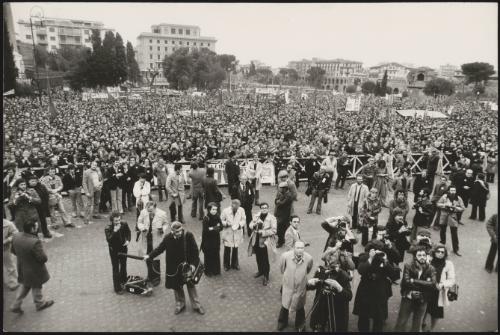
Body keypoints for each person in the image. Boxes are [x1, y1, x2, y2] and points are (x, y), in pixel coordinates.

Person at [144, 222, 205, 315]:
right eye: (177, 232)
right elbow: (159, 249)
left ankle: (197, 305)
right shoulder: (168, 238)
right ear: (172, 231)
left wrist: (193, 264)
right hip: (174, 268)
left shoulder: (188, 236)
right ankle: (180, 304)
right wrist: (149, 256)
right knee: (177, 286)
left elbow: (195, 251)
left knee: (191, 285)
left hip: (187, 266)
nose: (180, 233)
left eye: (180, 231)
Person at [352, 239, 400, 332]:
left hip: (380, 290)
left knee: (379, 317)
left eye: (379, 250)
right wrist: (370, 258)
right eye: (374, 250)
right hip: (366, 290)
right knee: (363, 316)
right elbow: (360, 270)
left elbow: (394, 276)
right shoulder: (364, 257)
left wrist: (386, 261)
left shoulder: (384, 258)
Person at [10, 220, 54, 314]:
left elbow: (13, 250)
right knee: (36, 285)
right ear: (32, 229)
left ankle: (16, 304)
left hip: (22, 267)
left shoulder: (16, 236)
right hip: (34, 269)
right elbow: (42, 258)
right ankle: (40, 303)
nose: (37, 228)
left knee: (25, 285)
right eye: (36, 226)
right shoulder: (34, 242)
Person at [307, 247, 353, 332]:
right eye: (328, 256)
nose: (329, 258)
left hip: (337, 309)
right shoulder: (321, 270)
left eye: (333, 256)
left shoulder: (343, 275)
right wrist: (309, 283)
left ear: (338, 260)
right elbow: (311, 287)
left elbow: (349, 296)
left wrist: (339, 287)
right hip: (321, 307)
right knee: (318, 328)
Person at [394, 246, 437, 332]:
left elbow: (433, 284)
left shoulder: (431, 268)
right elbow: (406, 281)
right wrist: (424, 284)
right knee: (402, 321)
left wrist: (414, 281)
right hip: (408, 296)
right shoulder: (408, 266)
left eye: (424, 255)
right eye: (419, 255)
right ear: (415, 257)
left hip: (423, 298)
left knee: (417, 324)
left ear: (427, 256)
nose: (422, 257)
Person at [278, 241, 314, 332]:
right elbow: (282, 269)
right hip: (288, 286)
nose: (300, 250)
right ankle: (282, 321)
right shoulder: (285, 256)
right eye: (297, 248)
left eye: (302, 248)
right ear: (294, 248)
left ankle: (300, 324)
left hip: (300, 287)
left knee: (300, 306)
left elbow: (308, 269)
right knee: (285, 304)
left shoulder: (309, 258)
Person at [422, 244, 456, 332]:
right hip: (426, 288)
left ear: (445, 254)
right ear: (434, 252)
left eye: (442, 252)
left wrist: (441, 285)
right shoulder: (428, 260)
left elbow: (451, 279)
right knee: (423, 308)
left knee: (436, 312)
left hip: (438, 291)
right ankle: (421, 323)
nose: (440, 254)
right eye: (438, 251)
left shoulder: (448, 264)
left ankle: (431, 329)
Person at [137, 201, 169, 285]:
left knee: (156, 259)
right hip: (146, 239)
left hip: (156, 239)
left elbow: (166, 224)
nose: (149, 212)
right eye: (148, 210)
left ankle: (157, 278)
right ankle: (150, 275)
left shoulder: (162, 213)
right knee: (147, 257)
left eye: (150, 210)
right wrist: (142, 227)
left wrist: (162, 229)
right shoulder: (143, 212)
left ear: (155, 207)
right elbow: (139, 222)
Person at [248, 202, 277, 286]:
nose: (264, 209)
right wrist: (254, 225)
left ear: (268, 208)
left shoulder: (272, 218)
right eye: (262, 207)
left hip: (265, 242)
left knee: (265, 259)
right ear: (260, 209)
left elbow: (274, 230)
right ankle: (260, 271)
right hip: (256, 240)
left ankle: (266, 276)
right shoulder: (257, 215)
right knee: (258, 257)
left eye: (265, 207)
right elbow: (250, 224)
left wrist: (263, 232)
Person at [104, 212, 131, 294]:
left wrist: (128, 240)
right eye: (116, 221)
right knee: (116, 268)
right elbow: (109, 240)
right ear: (112, 221)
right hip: (114, 250)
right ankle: (117, 288)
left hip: (123, 248)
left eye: (119, 220)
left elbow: (128, 233)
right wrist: (115, 231)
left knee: (123, 265)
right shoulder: (108, 228)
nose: (118, 222)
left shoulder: (124, 224)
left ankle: (123, 281)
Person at [437, 186, 465, 256]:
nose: (453, 192)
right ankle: (442, 244)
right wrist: (445, 205)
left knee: (454, 233)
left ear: (456, 191)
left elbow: (462, 208)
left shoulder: (458, 198)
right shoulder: (444, 196)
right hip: (444, 216)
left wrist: (455, 208)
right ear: (449, 191)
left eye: (454, 190)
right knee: (442, 230)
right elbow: (438, 204)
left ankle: (455, 249)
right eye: (451, 190)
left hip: (453, 216)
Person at [221, 199, 246, 271]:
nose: (237, 208)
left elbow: (244, 220)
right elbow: (221, 220)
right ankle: (226, 265)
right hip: (228, 232)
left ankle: (235, 264)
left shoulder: (241, 210)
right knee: (227, 249)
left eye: (238, 207)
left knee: (235, 248)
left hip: (237, 232)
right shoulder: (225, 211)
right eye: (235, 207)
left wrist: (240, 225)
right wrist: (226, 224)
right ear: (231, 205)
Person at [26, 174, 52, 238]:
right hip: (32, 208)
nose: (34, 182)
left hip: (41, 207)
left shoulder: (42, 186)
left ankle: (45, 232)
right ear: (28, 181)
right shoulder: (27, 189)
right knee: (33, 221)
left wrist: (46, 206)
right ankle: (34, 234)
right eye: (32, 181)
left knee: (43, 220)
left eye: (35, 181)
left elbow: (46, 195)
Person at [200, 202, 222, 277]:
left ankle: (216, 270)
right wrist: (215, 227)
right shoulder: (206, 218)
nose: (214, 211)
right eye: (213, 209)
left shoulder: (217, 216)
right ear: (209, 210)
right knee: (208, 255)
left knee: (216, 254)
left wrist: (212, 228)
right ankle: (208, 271)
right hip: (208, 241)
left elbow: (221, 226)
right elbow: (206, 231)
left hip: (216, 239)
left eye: (216, 209)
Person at [82, 160, 104, 225]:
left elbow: (101, 179)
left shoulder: (98, 171)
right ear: (90, 165)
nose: (94, 166)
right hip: (90, 190)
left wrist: (101, 185)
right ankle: (86, 218)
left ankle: (95, 214)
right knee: (88, 204)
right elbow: (84, 183)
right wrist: (86, 192)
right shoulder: (86, 172)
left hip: (98, 189)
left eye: (95, 165)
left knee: (97, 202)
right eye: (93, 165)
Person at [275, 180, 295, 248]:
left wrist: (278, 202)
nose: (280, 189)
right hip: (280, 214)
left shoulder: (289, 195)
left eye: (281, 188)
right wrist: (278, 201)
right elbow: (276, 200)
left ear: (285, 188)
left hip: (285, 215)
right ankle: (282, 240)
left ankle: (281, 241)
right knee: (282, 229)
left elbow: (282, 204)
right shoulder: (280, 193)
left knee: (281, 229)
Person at [3, 219, 20, 291]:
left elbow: (15, 233)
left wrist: (7, 240)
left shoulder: (8, 224)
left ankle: (13, 282)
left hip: (5, 248)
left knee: (9, 265)